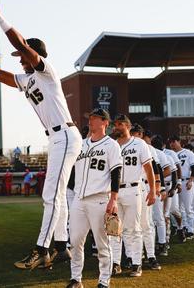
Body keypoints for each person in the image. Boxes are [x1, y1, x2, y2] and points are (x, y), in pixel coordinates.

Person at [0, 0, 82, 270]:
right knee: (56, 196)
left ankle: (41, 250)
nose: (19, 59)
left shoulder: (46, 72)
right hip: (57, 137)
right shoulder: (27, 79)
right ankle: (61, 248)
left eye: (22, 55)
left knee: (51, 195)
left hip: (66, 134)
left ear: (34, 54)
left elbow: (22, 45)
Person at [66, 108, 121, 288]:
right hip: (79, 199)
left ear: (105, 122)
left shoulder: (111, 145)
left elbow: (116, 172)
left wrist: (113, 199)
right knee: (75, 241)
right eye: (90, 118)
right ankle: (76, 279)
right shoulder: (81, 144)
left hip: (100, 198)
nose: (91, 120)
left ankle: (104, 281)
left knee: (102, 244)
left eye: (95, 118)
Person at [110, 114, 155, 277]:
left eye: (120, 124)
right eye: (115, 124)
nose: (116, 126)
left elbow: (149, 168)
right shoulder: (112, 144)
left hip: (133, 189)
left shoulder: (139, 143)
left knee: (133, 229)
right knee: (114, 229)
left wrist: (153, 190)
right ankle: (115, 263)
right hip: (114, 191)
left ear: (127, 126)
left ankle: (137, 264)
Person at [130, 126, 164, 271]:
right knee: (131, 226)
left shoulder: (146, 147)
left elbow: (156, 168)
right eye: (131, 132)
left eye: (135, 133)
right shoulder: (123, 145)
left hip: (144, 187)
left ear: (141, 134)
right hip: (129, 189)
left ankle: (151, 256)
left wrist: (156, 188)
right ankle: (133, 257)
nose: (133, 135)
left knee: (146, 224)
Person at [168, 135, 194, 241]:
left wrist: (191, 180)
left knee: (188, 207)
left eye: (173, 141)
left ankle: (191, 231)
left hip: (186, 182)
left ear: (179, 141)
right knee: (178, 209)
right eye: (170, 142)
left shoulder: (188, 153)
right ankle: (183, 228)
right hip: (175, 183)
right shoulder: (170, 154)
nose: (172, 144)